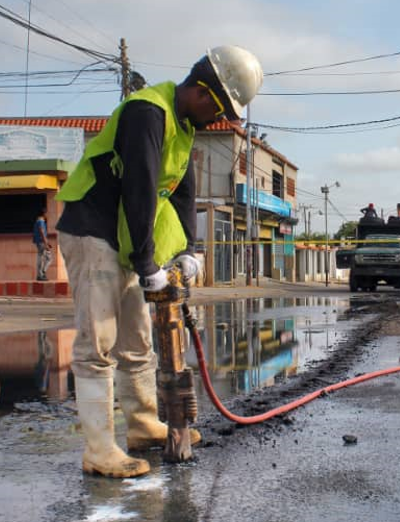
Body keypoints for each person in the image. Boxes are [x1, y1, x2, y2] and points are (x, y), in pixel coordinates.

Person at [56, 46, 263, 477]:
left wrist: (188, 248)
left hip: (124, 237)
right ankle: (98, 449)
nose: (219, 118)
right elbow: (140, 187)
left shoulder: (182, 125)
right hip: (93, 230)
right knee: (98, 342)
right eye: (221, 109)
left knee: (137, 340)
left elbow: (182, 192)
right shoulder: (147, 112)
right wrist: (147, 262)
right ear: (204, 92)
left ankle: (144, 424)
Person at [32, 205, 55, 281]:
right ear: (44, 214)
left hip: (40, 242)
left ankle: (41, 273)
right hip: (41, 242)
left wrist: (47, 242)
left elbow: (42, 232)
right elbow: (42, 232)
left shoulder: (38, 221)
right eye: (47, 214)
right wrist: (46, 243)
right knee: (45, 258)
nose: (47, 215)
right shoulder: (41, 221)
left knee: (43, 257)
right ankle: (41, 274)